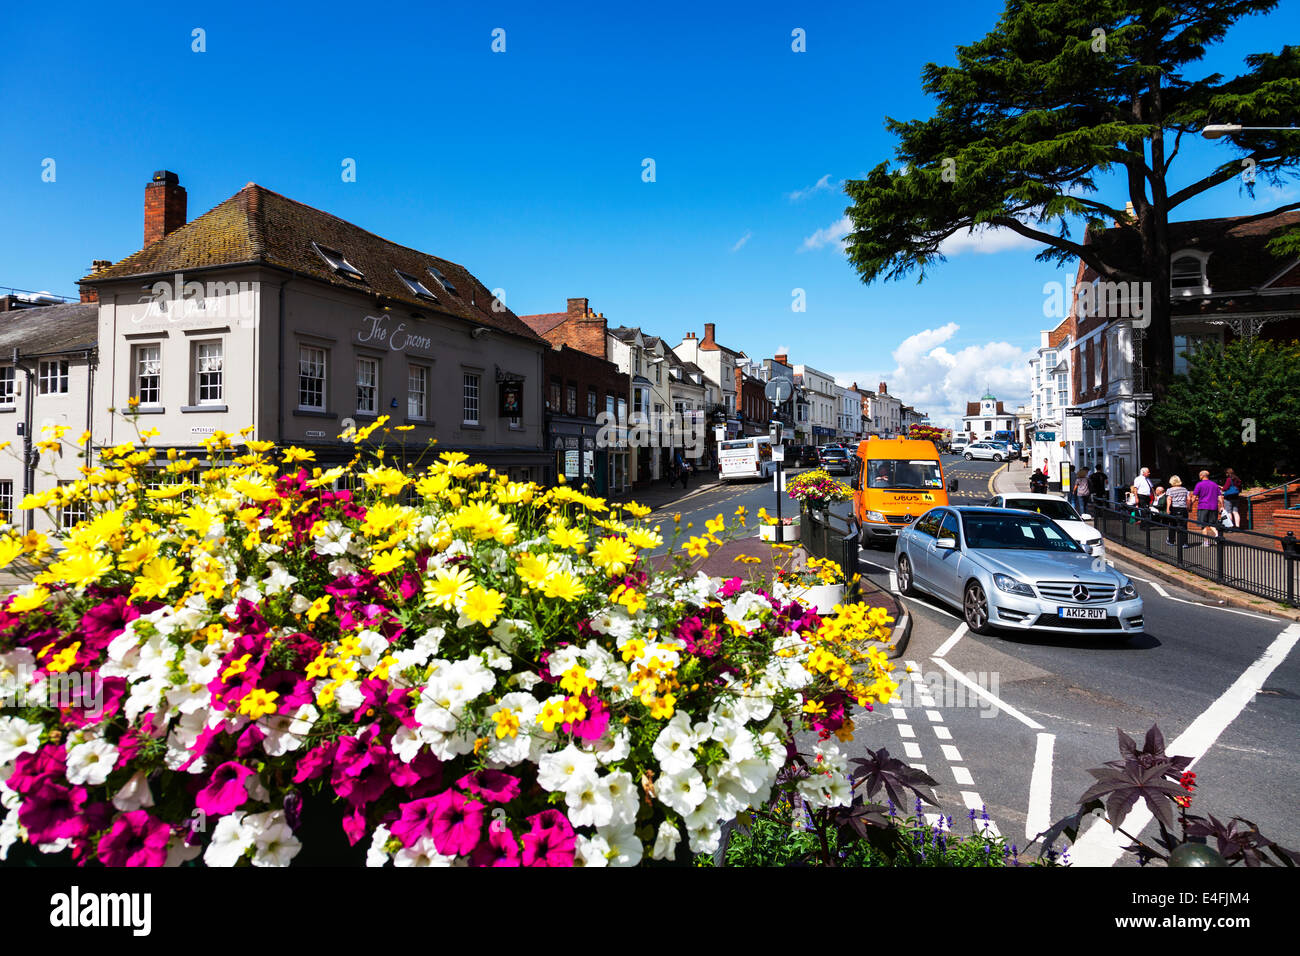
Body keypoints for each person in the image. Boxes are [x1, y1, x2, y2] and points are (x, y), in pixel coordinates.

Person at [1192, 469, 1223, 547]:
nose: (1199, 476)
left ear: (1202, 476)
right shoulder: (1214, 484)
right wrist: (1222, 506)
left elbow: (1194, 496)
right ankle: (1217, 535)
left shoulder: (1199, 484)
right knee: (1212, 523)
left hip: (1203, 506)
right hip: (1213, 507)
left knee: (1203, 525)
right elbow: (1220, 496)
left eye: (1199, 475)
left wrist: (1190, 504)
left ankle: (1206, 542)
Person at [1164, 475, 1192, 548]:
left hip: (1174, 508)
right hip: (1183, 508)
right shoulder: (1185, 490)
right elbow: (1189, 499)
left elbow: (1169, 500)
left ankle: (1171, 541)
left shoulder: (1170, 490)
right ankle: (1184, 543)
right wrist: (1188, 507)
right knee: (1184, 525)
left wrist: (1168, 509)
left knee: (1172, 525)